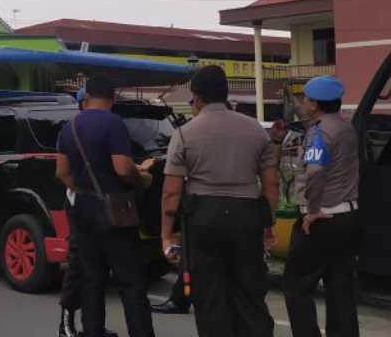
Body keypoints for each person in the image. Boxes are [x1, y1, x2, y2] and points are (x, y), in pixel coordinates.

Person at [160, 65, 279, 337]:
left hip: (203, 219)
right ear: (226, 93)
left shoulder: (184, 134)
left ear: (197, 96)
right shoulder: (256, 130)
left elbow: (171, 192)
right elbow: (272, 183)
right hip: (246, 217)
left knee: (210, 298)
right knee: (250, 294)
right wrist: (267, 222)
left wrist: (167, 236)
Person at [55, 75, 156, 337]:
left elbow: (62, 172)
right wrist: (142, 178)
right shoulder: (113, 123)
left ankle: (93, 331)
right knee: (131, 281)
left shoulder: (70, 126)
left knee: (92, 279)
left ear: (87, 96)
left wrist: (84, 189)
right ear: (113, 97)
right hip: (115, 210)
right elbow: (122, 168)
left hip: (83, 209)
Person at [283, 76, 360, 337]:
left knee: (296, 286)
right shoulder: (346, 128)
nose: (303, 102)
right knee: (340, 288)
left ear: (315, 104)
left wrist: (312, 210)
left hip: (322, 220)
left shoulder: (320, 133)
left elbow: (315, 171)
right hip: (347, 217)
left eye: (306, 99)